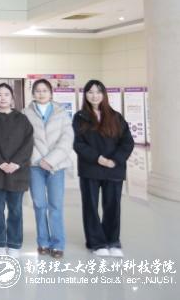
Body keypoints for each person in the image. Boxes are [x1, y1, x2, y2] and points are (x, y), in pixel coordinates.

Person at [73, 79, 134, 258]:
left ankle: (112, 241)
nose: (94, 96)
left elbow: (127, 142)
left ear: (104, 94)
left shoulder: (116, 117)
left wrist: (115, 160)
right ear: (85, 95)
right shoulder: (80, 117)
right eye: (90, 92)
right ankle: (96, 243)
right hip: (90, 168)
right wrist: (98, 158)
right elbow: (78, 143)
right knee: (91, 206)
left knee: (112, 206)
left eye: (98, 92)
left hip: (114, 169)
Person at [0, 83, 34, 259]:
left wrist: (16, 163)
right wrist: (0, 163)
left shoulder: (22, 119)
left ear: (12, 98)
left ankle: (14, 244)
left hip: (18, 172)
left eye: (6, 94)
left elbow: (28, 144)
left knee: (15, 210)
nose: (3, 98)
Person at [22, 79, 74, 259]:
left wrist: (51, 160)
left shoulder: (61, 112)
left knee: (55, 205)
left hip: (56, 166)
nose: (41, 93)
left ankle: (58, 244)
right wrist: (40, 159)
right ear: (33, 93)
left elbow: (67, 139)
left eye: (44, 90)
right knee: (39, 204)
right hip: (35, 166)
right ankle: (43, 241)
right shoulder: (25, 113)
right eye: (37, 90)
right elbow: (25, 139)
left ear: (51, 93)